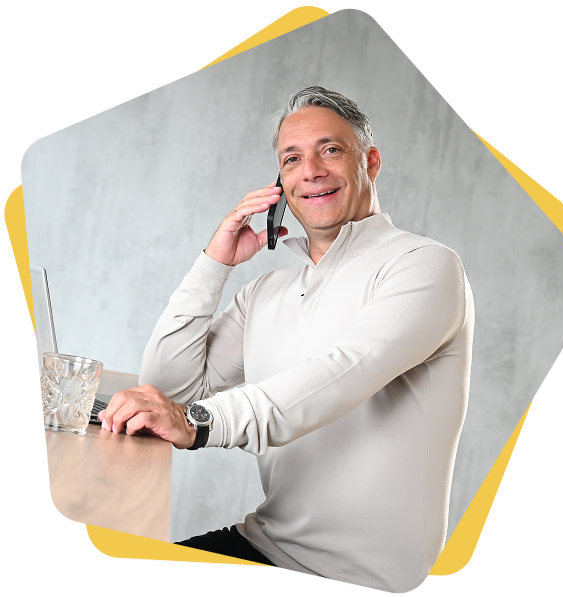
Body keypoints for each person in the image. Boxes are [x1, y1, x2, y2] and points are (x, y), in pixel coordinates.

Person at [98, 87, 475, 593]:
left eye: (331, 150)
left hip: (366, 578)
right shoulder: (265, 293)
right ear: (280, 183)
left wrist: (198, 422)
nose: (310, 171)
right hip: (266, 544)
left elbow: (342, 373)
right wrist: (213, 264)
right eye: (291, 159)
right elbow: (166, 390)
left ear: (370, 162)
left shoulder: (424, 266)